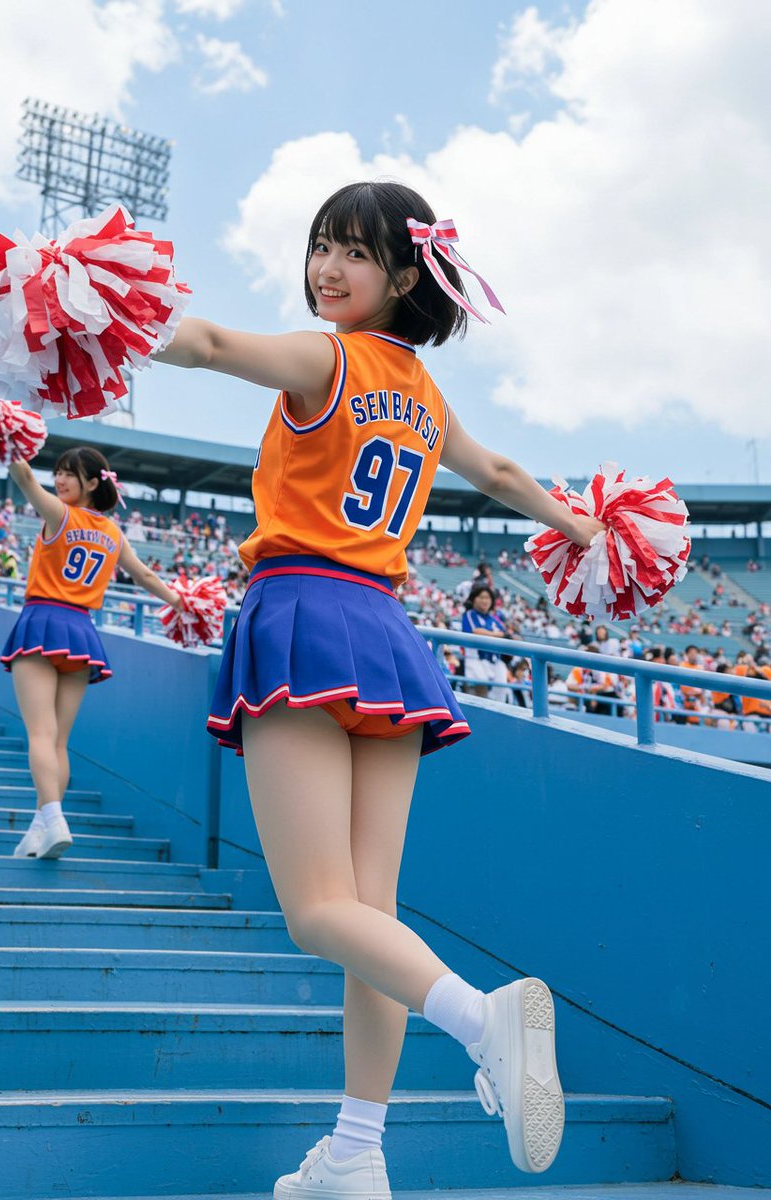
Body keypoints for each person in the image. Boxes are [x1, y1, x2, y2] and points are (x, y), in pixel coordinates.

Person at [155, 180, 603, 1193]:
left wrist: (122, 321)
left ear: (405, 276)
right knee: (372, 912)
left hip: (305, 613)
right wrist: (580, 529)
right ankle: (356, 1149)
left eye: (354, 253)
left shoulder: (326, 356)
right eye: (320, 245)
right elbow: (494, 471)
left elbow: (219, 349)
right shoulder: (425, 394)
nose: (327, 267)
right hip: (385, 632)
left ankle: (482, 1021)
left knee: (320, 911)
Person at [0, 447, 181, 861]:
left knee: (41, 736)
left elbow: (25, 479)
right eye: (58, 473)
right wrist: (181, 603)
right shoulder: (114, 532)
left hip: (43, 621)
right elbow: (145, 575)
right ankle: (40, 827)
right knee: (59, 742)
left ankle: (53, 816)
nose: (59, 480)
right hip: (81, 632)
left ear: (94, 483)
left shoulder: (60, 514)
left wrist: (5, 435)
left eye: (69, 474)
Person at [461, 583, 511, 701]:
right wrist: (495, 635)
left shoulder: (493, 619)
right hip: (476, 658)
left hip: (495, 660)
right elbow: (476, 631)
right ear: (474, 599)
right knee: (479, 691)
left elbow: (505, 634)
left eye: (488, 598)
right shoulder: (470, 614)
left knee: (500, 693)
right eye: (482, 597)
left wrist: (490, 633)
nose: (485, 601)